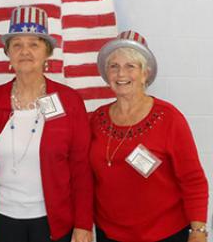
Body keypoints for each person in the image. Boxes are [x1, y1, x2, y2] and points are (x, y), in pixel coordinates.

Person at [0, 5, 93, 242]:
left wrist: (83, 224)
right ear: (8, 53)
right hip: (0, 220)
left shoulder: (69, 101)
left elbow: (81, 168)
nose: (25, 51)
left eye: (34, 44)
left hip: (53, 221)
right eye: (17, 44)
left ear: (47, 52)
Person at [90, 30, 209, 242]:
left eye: (130, 66)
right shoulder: (96, 120)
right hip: (109, 234)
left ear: (145, 73)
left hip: (165, 234)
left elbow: (193, 181)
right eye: (114, 66)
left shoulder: (169, 118)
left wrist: (198, 231)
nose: (121, 74)